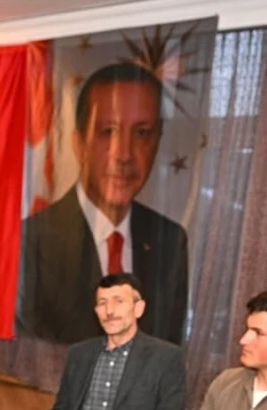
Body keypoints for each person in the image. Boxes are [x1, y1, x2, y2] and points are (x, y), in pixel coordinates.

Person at [20, 63, 189, 345]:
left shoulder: (170, 241)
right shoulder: (32, 239)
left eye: (142, 133)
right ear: (79, 144)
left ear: (157, 142)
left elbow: (167, 347)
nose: (123, 155)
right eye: (108, 131)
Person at [47, 272, 185, 410]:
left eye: (118, 301)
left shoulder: (166, 358)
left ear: (138, 308)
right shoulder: (79, 354)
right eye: (102, 303)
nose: (109, 311)